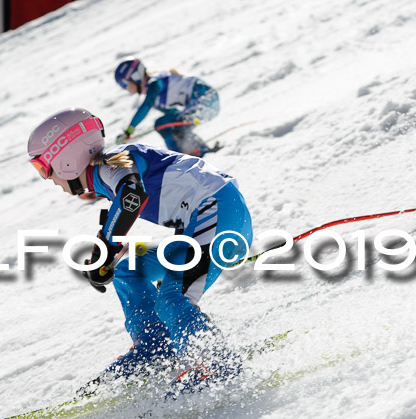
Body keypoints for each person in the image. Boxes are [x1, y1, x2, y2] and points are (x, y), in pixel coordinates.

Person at [27, 108, 252, 388]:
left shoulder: (112, 162)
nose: (46, 177)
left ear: (66, 160)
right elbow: (119, 213)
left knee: (172, 299)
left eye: (43, 167)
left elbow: (132, 196)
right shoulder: (107, 175)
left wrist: (107, 247)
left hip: (219, 214)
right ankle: (156, 344)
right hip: (205, 222)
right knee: (128, 267)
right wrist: (103, 255)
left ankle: (214, 365)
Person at [114, 57, 222, 158]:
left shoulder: (154, 83)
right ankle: (183, 156)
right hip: (202, 104)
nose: (125, 89)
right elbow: (173, 116)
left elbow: (146, 105)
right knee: (165, 126)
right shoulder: (156, 98)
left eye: (124, 84)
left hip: (206, 99)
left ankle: (199, 155)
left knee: (169, 126)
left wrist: (129, 130)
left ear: (135, 76)